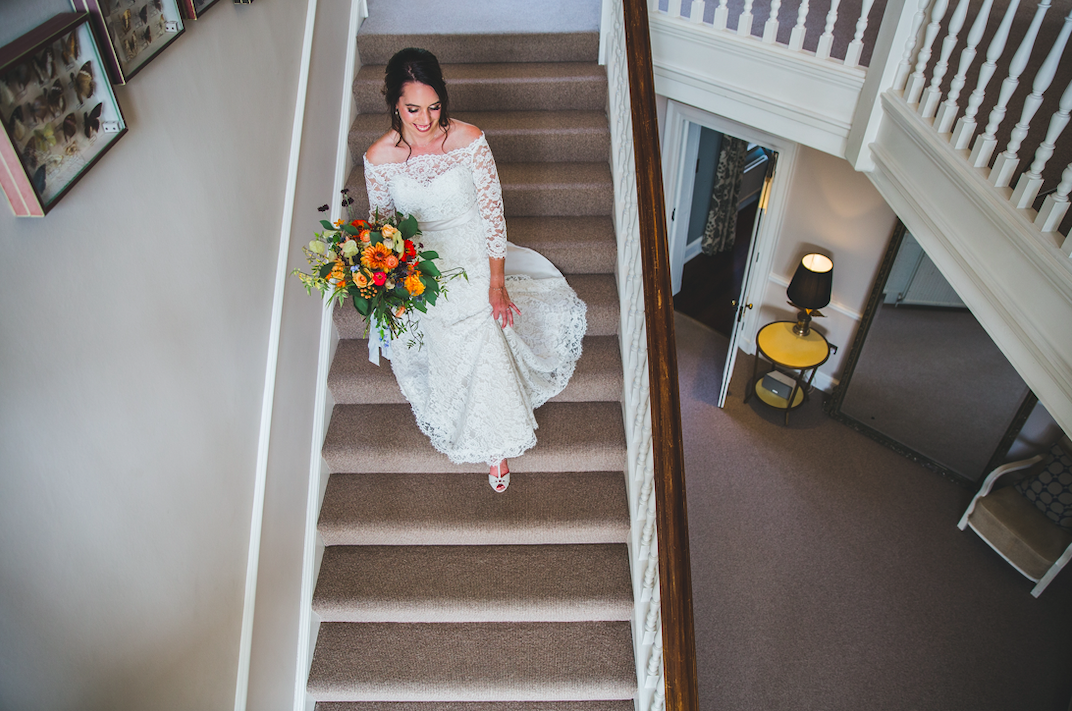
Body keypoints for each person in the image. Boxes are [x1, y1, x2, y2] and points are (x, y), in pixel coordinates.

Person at [363, 47, 587, 492]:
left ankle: (497, 445)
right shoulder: (379, 159)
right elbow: (383, 231)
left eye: (433, 107)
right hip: (423, 270)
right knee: (440, 331)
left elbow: (492, 215)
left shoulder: (469, 140)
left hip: (473, 254)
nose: (424, 120)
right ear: (393, 104)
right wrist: (395, 286)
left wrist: (497, 281)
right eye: (412, 109)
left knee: (485, 323)